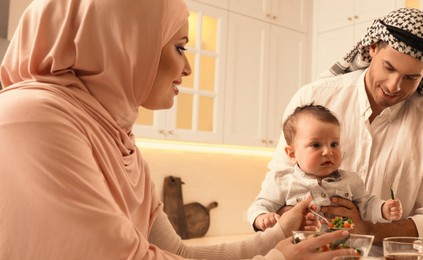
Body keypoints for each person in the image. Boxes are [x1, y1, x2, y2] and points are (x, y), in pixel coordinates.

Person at [0, 0, 356, 259]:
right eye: (179, 47)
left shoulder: (117, 140)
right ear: (126, 42)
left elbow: (179, 253)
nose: (186, 68)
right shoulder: (33, 118)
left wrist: (280, 232)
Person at [266, 7, 423, 251]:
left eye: (411, 78)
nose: (394, 86)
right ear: (372, 49)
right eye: (389, 68)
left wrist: (369, 230)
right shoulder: (313, 98)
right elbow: (277, 185)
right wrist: (297, 215)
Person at [248, 104, 403, 231]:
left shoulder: (351, 180)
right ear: (292, 154)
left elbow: (367, 205)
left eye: (334, 144)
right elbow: (259, 206)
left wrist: (383, 209)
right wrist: (261, 217)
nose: (328, 151)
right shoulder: (281, 181)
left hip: (341, 252)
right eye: (316, 145)